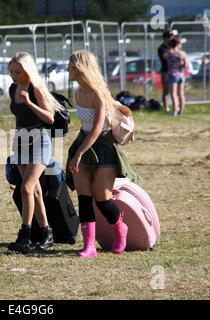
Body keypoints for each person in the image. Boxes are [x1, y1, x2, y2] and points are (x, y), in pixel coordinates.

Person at [66, 50, 142, 258]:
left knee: (102, 200)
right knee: (84, 198)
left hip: (103, 146)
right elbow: (85, 127)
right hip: (83, 143)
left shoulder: (99, 93)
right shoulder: (78, 93)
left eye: (71, 66)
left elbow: (98, 129)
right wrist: (79, 151)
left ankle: (120, 228)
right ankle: (89, 246)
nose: (67, 70)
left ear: (80, 69)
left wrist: (78, 154)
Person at [7, 52, 64, 253]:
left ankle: (25, 235)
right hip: (20, 141)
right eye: (11, 72)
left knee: (26, 187)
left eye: (18, 72)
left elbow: (49, 118)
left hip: (40, 140)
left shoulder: (35, 88)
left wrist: (30, 102)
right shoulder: (13, 88)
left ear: (27, 70)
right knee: (35, 191)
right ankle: (47, 233)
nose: (14, 76)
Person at [167, 37, 188, 116]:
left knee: (173, 93)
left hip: (172, 74)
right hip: (181, 74)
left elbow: (165, 59)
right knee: (181, 93)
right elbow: (185, 65)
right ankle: (181, 111)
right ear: (178, 44)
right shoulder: (182, 53)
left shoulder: (169, 53)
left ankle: (174, 111)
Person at [158, 30, 174, 113]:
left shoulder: (171, 47)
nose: (172, 39)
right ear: (167, 38)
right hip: (165, 71)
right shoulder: (162, 48)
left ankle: (175, 107)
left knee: (174, 91)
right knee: (166, 90)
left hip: (173, 71)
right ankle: (166, 108)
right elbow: (165, 57)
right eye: (171, 37)